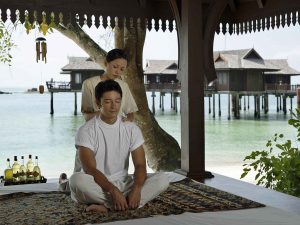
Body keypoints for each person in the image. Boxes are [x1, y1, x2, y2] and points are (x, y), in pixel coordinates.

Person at [69, 79, 169, 213]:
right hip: (97, 184)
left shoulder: (131, 129)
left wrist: (137, 189)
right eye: (108, 101)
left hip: (124, 183)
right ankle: (124, 203)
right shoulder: (86, 130)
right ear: (98, 103)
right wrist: (112, 191)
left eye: (117, 101)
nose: (114, 106)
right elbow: (90, 169)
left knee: (163, 179)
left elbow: (140, 165)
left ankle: (109, 206)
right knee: (76, 181)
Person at [81, 48, 138, 122]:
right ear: (106, 63)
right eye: (115, 67)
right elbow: (87, 117)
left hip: (119, 129)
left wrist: (127, 121)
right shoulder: (89, 84)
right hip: (96, 129)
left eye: (122, 69)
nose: (118, 72)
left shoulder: (124, 85)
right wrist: (107, 115)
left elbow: (130, 112)